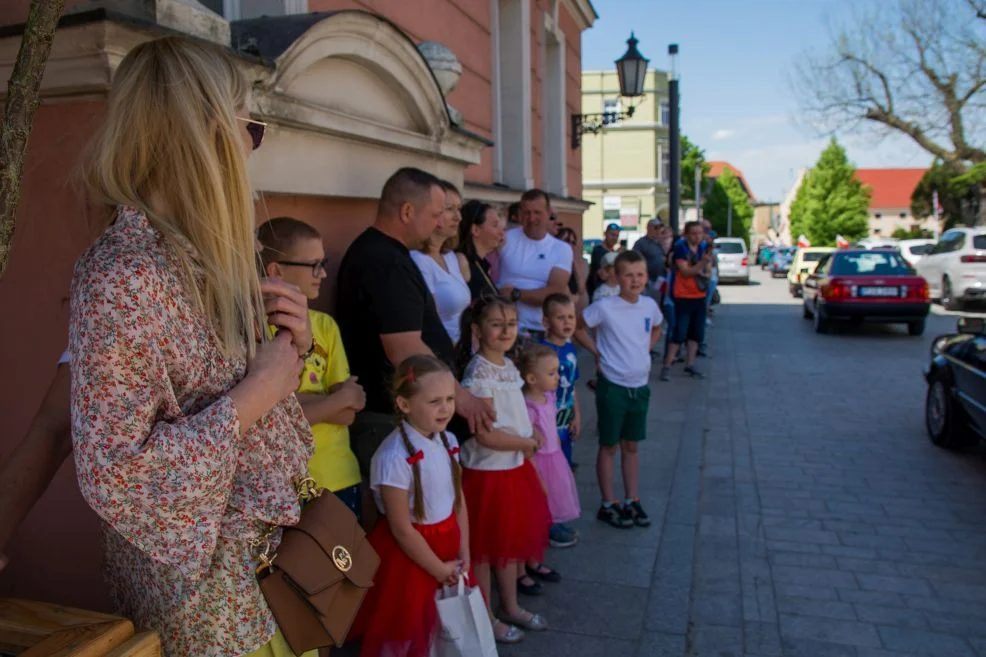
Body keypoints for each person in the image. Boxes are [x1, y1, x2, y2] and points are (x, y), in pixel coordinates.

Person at [69, 36, 318, 657]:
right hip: (215, 609)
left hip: (271, 576)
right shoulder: (122, 275)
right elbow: (116, 472)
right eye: (249, 130)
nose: (249, 149)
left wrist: (293, 348)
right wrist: (254, 394)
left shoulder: (207, 255)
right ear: (209, 135)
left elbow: (263, 406)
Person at [336, 167, 494, 482]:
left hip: (394, 413)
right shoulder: (387, 261)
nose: (439, 223)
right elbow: (404, 348)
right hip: (388, 417)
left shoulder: (382, 252)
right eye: (435, 214)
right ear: (407, 211)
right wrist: (459, 398)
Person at [349, 355, 470, 657]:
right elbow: (401, 528)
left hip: (447, 546)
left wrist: (465, 549)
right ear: (404, 405)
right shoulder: (393, 457)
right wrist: (437, 569)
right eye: (434, 402)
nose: (446, 408)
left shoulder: (448, 439)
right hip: (411, 558)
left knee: (443, 627)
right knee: (405, 633)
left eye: (450, 399)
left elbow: (459, 500)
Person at [454, 295, 552, 644]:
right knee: (484, 550)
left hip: (513, 469)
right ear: (478, 330)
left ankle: (510, 605)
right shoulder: (478, 372)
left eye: (511, 323)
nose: (506, 330)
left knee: (509, 547)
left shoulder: (509, 366)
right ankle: (487, 615)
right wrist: (526, 444)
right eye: (497, 324)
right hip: (488, 474)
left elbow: (516, 414)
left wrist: (533, 432)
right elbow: (485, 434)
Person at [257, 217, 367, 517]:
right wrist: (337, 399)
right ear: (276, 270)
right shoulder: (254, 329)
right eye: (314, 264)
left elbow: (348, 412)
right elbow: (269, 415)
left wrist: (300, 406)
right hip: (283, 484)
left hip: (337, 474)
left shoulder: (326, 326)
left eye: (324, 262)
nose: (323, 273)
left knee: (342, 563)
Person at [582, 251, 663, 530]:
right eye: (628, 275)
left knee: (632, 445)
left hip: (639, 387)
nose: (635, 280)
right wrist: (597, 353)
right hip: (613, 386)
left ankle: (632, 498)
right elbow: (579, 327)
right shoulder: (605, 306)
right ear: (616, 277)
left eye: (640, 274)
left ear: (646, 277)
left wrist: (646, 349)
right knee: (609, 446)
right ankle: (608, 502)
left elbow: (657, 327)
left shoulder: (649, 306)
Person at [519, 344, 581, 548]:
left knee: (556, 491)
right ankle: (547, 526)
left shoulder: (549, 396)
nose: (557, 377)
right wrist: (532, 430)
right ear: (532, 379)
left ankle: (554, 522)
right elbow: (526, 430)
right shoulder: (528, 406)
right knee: (544, 493)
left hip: (554, 454)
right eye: (551, 373)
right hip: (541, 459)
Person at [496, 189, 572, 342]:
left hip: (545, 330)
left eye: (537, 212)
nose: (531, 218)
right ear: (519, 213)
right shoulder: (505, 239)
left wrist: (516, 294)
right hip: (506, 329)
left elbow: (555, 294)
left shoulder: (561, 249)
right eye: (526, 213)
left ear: (548, 212)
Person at [410, 181, 471, 344]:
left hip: (462, 350)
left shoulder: (451, 257)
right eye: (450, 209)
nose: (459, 217)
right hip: (441, 353)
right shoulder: (419, 259)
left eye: (459, 209)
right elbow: (432, 321)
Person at [660, 221, 712, 381]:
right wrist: (703, 264)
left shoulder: (703, 248)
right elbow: (686, 271)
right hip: (682, 295)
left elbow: (708, 272)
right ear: (687, 234)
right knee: (679, 332)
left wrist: (706, 268)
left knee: (696, 334)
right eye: (694, 233)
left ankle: (690, 364)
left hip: (699, 295)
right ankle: (667, 366)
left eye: (700, 233)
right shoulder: (680, 249)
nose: (697, 236)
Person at [540, 294, 582, 470]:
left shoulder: (571, 349)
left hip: (565, 418)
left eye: (571, 317)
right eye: (560, 317)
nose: (567, 322)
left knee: (565, 466)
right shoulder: (541, 352)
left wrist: (576, 414)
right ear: (546, 322)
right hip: (547, 421)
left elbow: (572, 386)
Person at [458, 199, 504, 300]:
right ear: (475, 230)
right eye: (495, 225)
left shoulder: (481, 264)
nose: (501, 232)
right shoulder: (462, 264)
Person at [555, 226, 589, 312]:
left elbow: (581, 290)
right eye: (566, 241)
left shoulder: (579, 263)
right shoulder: (554, 264)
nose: (570, 245)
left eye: (573, 243)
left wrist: (574, 265)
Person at [587, 222, 622, 298]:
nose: (614, 238)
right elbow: (602, 273)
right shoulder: (598, 251)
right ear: (605, 234)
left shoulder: (614, 252)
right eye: (612, 235)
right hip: (600, 290)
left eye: (617, 236)